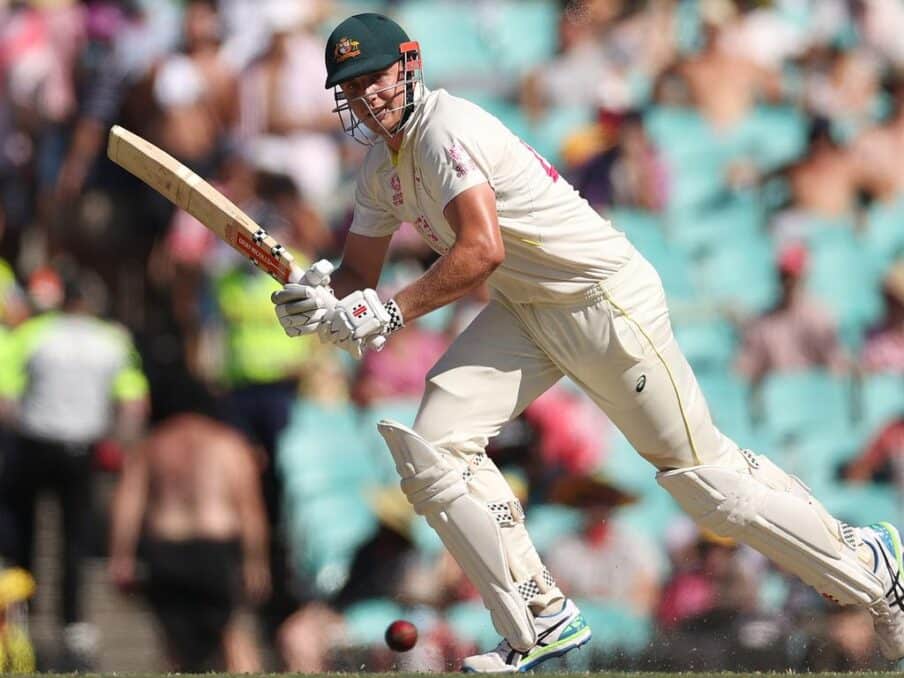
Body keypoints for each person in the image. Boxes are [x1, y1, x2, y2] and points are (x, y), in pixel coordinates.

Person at [271, 13, 904, 672]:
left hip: (604, 303)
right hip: (529, 309)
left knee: (706, 484)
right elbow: (357, 277)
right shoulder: (381, 167)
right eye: (351, 86)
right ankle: (537, 615)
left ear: (407, 65)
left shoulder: (446, 129)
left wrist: (393, 312)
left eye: (374, 77)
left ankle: (871, 567)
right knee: (435, 445)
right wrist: (318, 299)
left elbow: (481, 250)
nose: (368, 96)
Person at [0, 266, 148, 668]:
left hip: (35, 441)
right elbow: (133, 401)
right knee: (75, 540)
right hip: (82, 448)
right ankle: (73, 626)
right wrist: (119, 445)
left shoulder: (34, 333)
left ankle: (22, 620)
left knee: (25, 535)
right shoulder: (112, 338)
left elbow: (7, 395)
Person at [108, 410, 270, 672]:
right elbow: (249, 508)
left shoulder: (154, 444)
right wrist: (256, 562)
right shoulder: (228, 443)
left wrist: (121, 556)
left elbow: (129, 502)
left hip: (167, 547)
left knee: (174, 644)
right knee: (231, 634)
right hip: (216, 547)